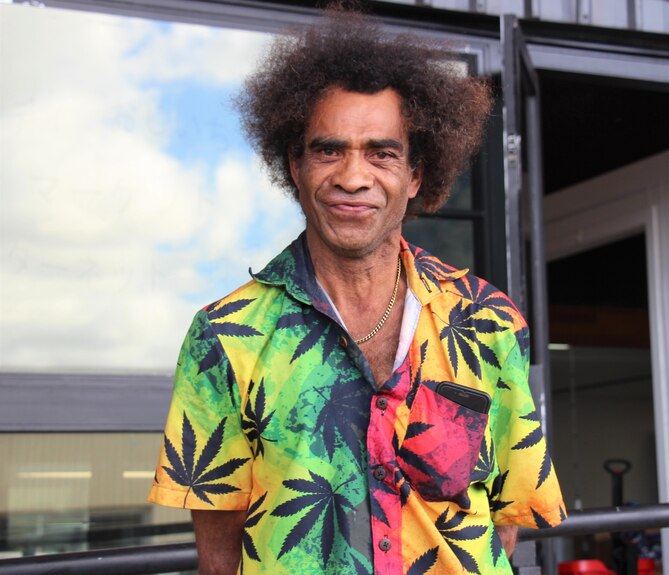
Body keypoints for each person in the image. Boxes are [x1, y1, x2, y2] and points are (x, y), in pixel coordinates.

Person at [149, 10, 565, 575]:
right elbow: (220, 555)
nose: (352, 176)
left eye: (382, 152)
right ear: (293, 166)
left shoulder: (487, 319)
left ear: (416, 175)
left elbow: (502, 524)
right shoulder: (224, 338)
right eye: (328, 150)